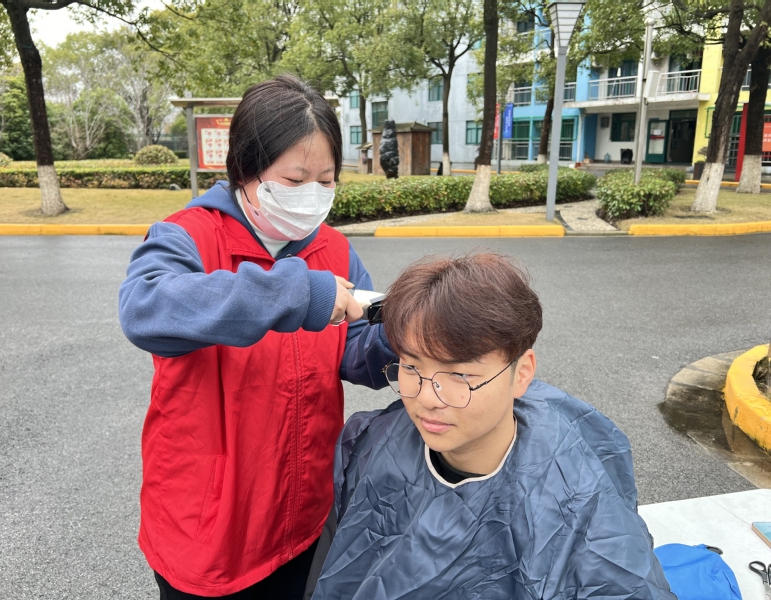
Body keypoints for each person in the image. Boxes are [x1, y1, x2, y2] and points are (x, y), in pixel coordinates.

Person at [118, 75, 394, 599]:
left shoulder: (334, 249)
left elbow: (354, 348)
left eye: (327, 180)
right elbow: (144, 309)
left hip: (300, 515)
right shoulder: (188, 235)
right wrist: (297, 293)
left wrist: (402, 338)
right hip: (207, 527)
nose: (312, 195)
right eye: (295, 180)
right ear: (246, 170)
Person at [306, 253, 676, 600]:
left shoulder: (578, 495)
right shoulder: (368, 446)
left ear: (522, 373)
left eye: (460, 374)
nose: (428, 398)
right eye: (411, 366)